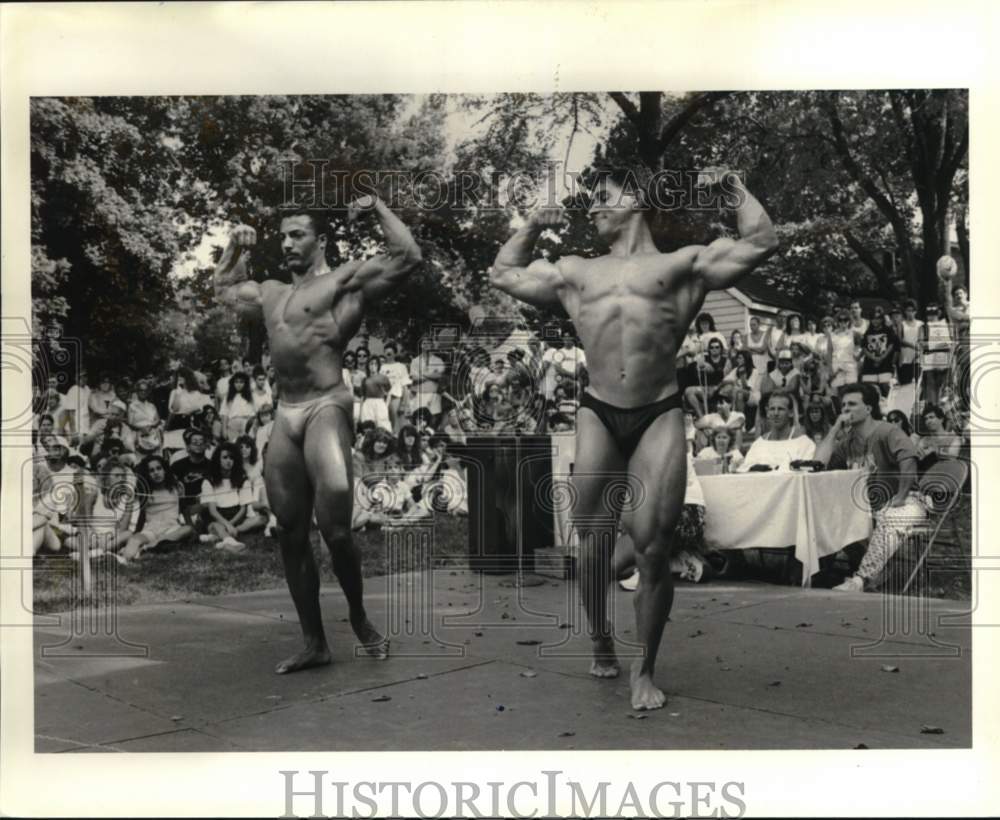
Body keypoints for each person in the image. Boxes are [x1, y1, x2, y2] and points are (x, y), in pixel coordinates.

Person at [490, 165, 778, 710]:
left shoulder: (684, 264)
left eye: (603, 196)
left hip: (658, 410)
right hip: (598, 410)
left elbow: (762, 240)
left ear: (638, 199)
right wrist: (530, 226)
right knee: (591, 546)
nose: (593, 207)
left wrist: (735, 187)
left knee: (652, 546)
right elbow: (503, 275)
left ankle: (643, 669)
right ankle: (600, 641)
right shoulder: (576, 271)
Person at [214, 195, 421, 673]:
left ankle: (359, 615)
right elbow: (222, 291)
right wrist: (232, 247)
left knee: (337, 530)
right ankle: (314, 643)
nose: (286, 243)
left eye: (297, 235)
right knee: (290, 531)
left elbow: (408, 257)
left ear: (320, 240)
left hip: (328, 402)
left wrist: (377, 210)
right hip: (285, 412)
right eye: (282, 235)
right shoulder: (268, 291)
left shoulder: (343, 282)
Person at [814, 384, 922, 592]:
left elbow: (909, 461)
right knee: (827, 515)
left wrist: (900, 497)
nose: (846, 409)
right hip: (864, 506)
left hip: (908, 498)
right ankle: (826, 574)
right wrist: (835, 428)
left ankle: (860, 580)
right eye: (843, 405)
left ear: (869, 408)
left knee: (892, 516)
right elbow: (817, 465)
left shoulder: (888, 431)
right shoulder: (847, 441)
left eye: (852, 404)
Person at [119, 455, 193, 562]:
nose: (156, 473)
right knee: (134, 540)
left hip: (172, 528)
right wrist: (137, 533)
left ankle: (148, 547)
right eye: (151, 470)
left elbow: (184, 508)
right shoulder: (145, 491)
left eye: (159, 468)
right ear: (147, 474)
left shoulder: (177, 487)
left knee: (188, 529)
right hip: (151, 530)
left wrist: (191, 525)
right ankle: (124, 559)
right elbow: (142, 515)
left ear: (165, 470)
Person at [197, 442, 253, 553]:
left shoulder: (242, 478)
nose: (228, 461)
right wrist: (227, 524)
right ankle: (230, 541)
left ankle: (216, 537)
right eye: (225, 457)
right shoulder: (209, 480)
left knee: (261, 519)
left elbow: (243, 508)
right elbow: (212, 511)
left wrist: (230, 524)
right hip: (216, 516)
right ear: (218, 459)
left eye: (232, 458)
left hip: (236, 515)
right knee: (217, 525)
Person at [738, 392, 815, 472]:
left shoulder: (804, 444)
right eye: (772, 409)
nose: (775, 413)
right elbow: (746, 470)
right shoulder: (758, 444)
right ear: (767, 413)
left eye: (780, 409)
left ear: (791, 413)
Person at [860, 306, 900, 399]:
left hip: (886, 363)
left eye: (878, 318)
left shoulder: (888, 330)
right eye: (873, 318)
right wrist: (874, 358)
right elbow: (864, 348)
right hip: (870, 364)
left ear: (882, 319)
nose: (875, 321)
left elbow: (892, 345)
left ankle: (890, 405)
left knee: (887, 385)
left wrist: (882, 357)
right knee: (869, 387)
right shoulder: (868, 332)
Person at [920, 302, 952, 407]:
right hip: (929, 358)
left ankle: (941, 406)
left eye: (934, 313)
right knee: (930, 383)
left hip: (943, 357)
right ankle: (933, 406)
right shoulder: (923, 327)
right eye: (929, 314)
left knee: (941, 384)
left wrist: (933, 345)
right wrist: (940, 344)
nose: (931, 316)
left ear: (938, 313)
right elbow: (921, 344)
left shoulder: (945, 325)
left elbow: (950, 342)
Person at [380, 342, 411, 431]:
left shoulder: (401, 367)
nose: (388, 355)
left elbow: (405, 386)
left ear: (395, 354)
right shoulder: (381, 367)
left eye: (390, 353)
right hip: (383, 398)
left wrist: (403, 404)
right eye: (386, 353)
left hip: (395, 398)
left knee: (396, 425)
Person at [221, 370, 256, 442]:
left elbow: (254, 412)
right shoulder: (228, 397)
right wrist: (224, 430)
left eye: (241, 382)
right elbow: (224, 414)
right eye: (236, 382)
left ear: (245, 383)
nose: (238, 384)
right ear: (233, 383)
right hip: (232, 424)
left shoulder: (251, 396)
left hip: (246, 423)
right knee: (234, 445)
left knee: (246, 444)